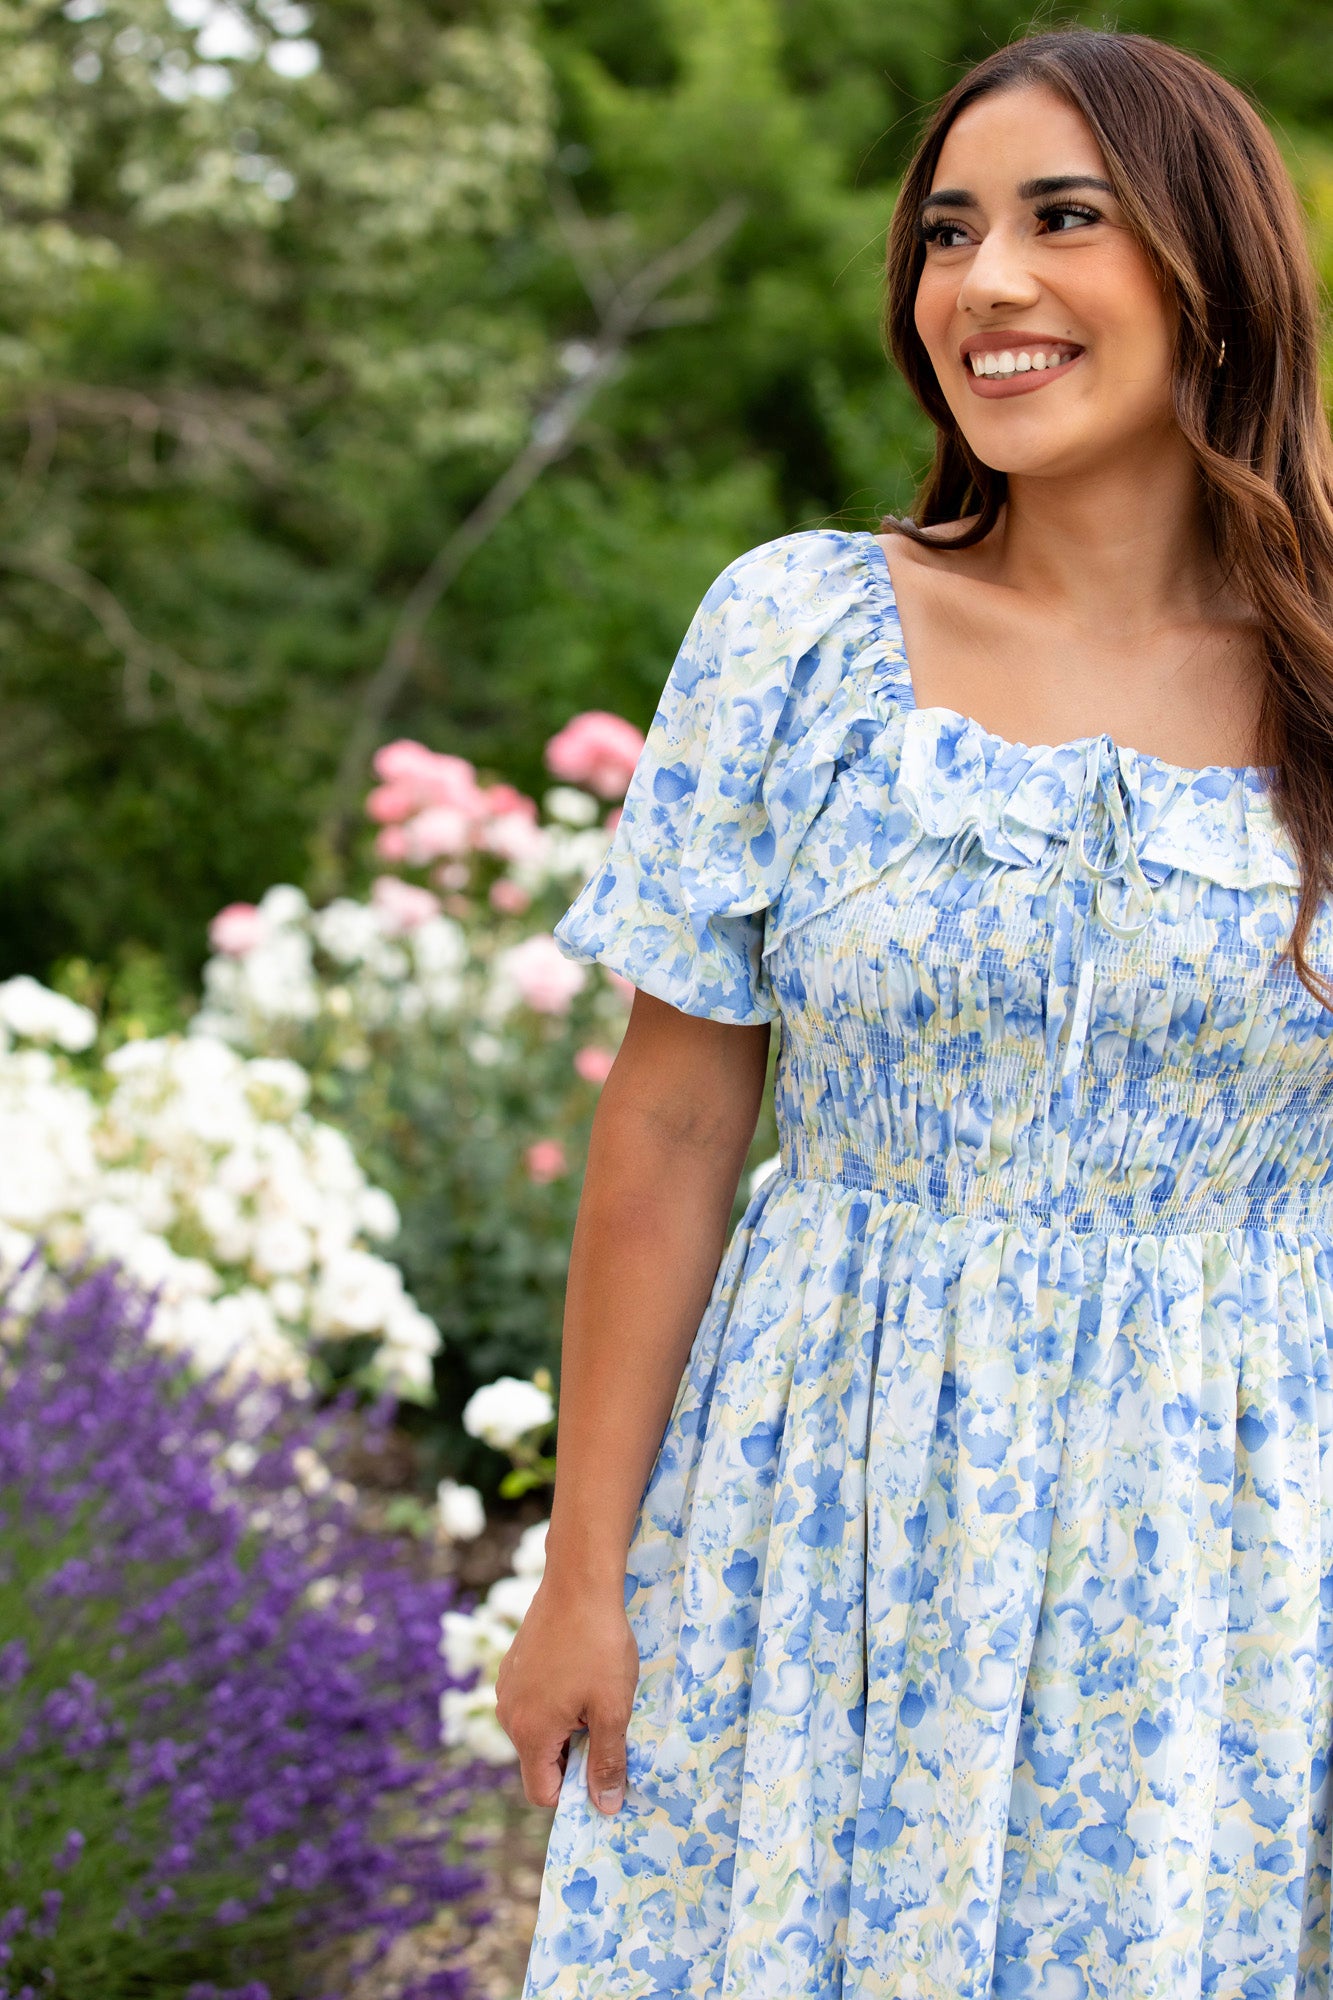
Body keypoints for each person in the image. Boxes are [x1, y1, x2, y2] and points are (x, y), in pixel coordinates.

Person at [501, 26, 1333, 1999]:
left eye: (1066, 220)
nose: (986, 284)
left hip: (1209, 1546)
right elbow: (677, 1119)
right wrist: (579, 1570)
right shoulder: (792, 628)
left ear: (1216, 268)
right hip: (815, 1501)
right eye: (947, 231)